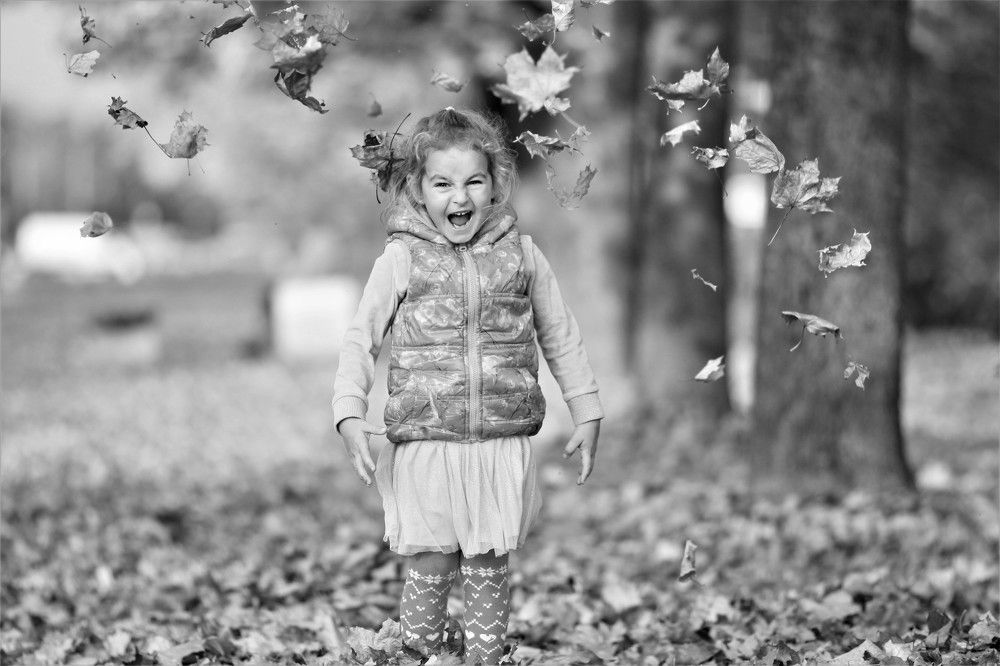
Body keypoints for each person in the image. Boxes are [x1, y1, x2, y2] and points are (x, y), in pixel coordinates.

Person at [332, 107, 603, 664]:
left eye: (474, 181)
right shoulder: (401, 258)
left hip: (498, 442)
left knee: (487, 561)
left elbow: (560, 333)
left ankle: (484, 658)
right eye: (443, 184)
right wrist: (349, 411)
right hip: (426, 441)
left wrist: (586, 408)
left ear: (496, 183)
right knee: (432, 560)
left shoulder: (522, 255)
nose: (461, 197)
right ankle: (421, 654)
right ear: (417, 189)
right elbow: (362, 338)